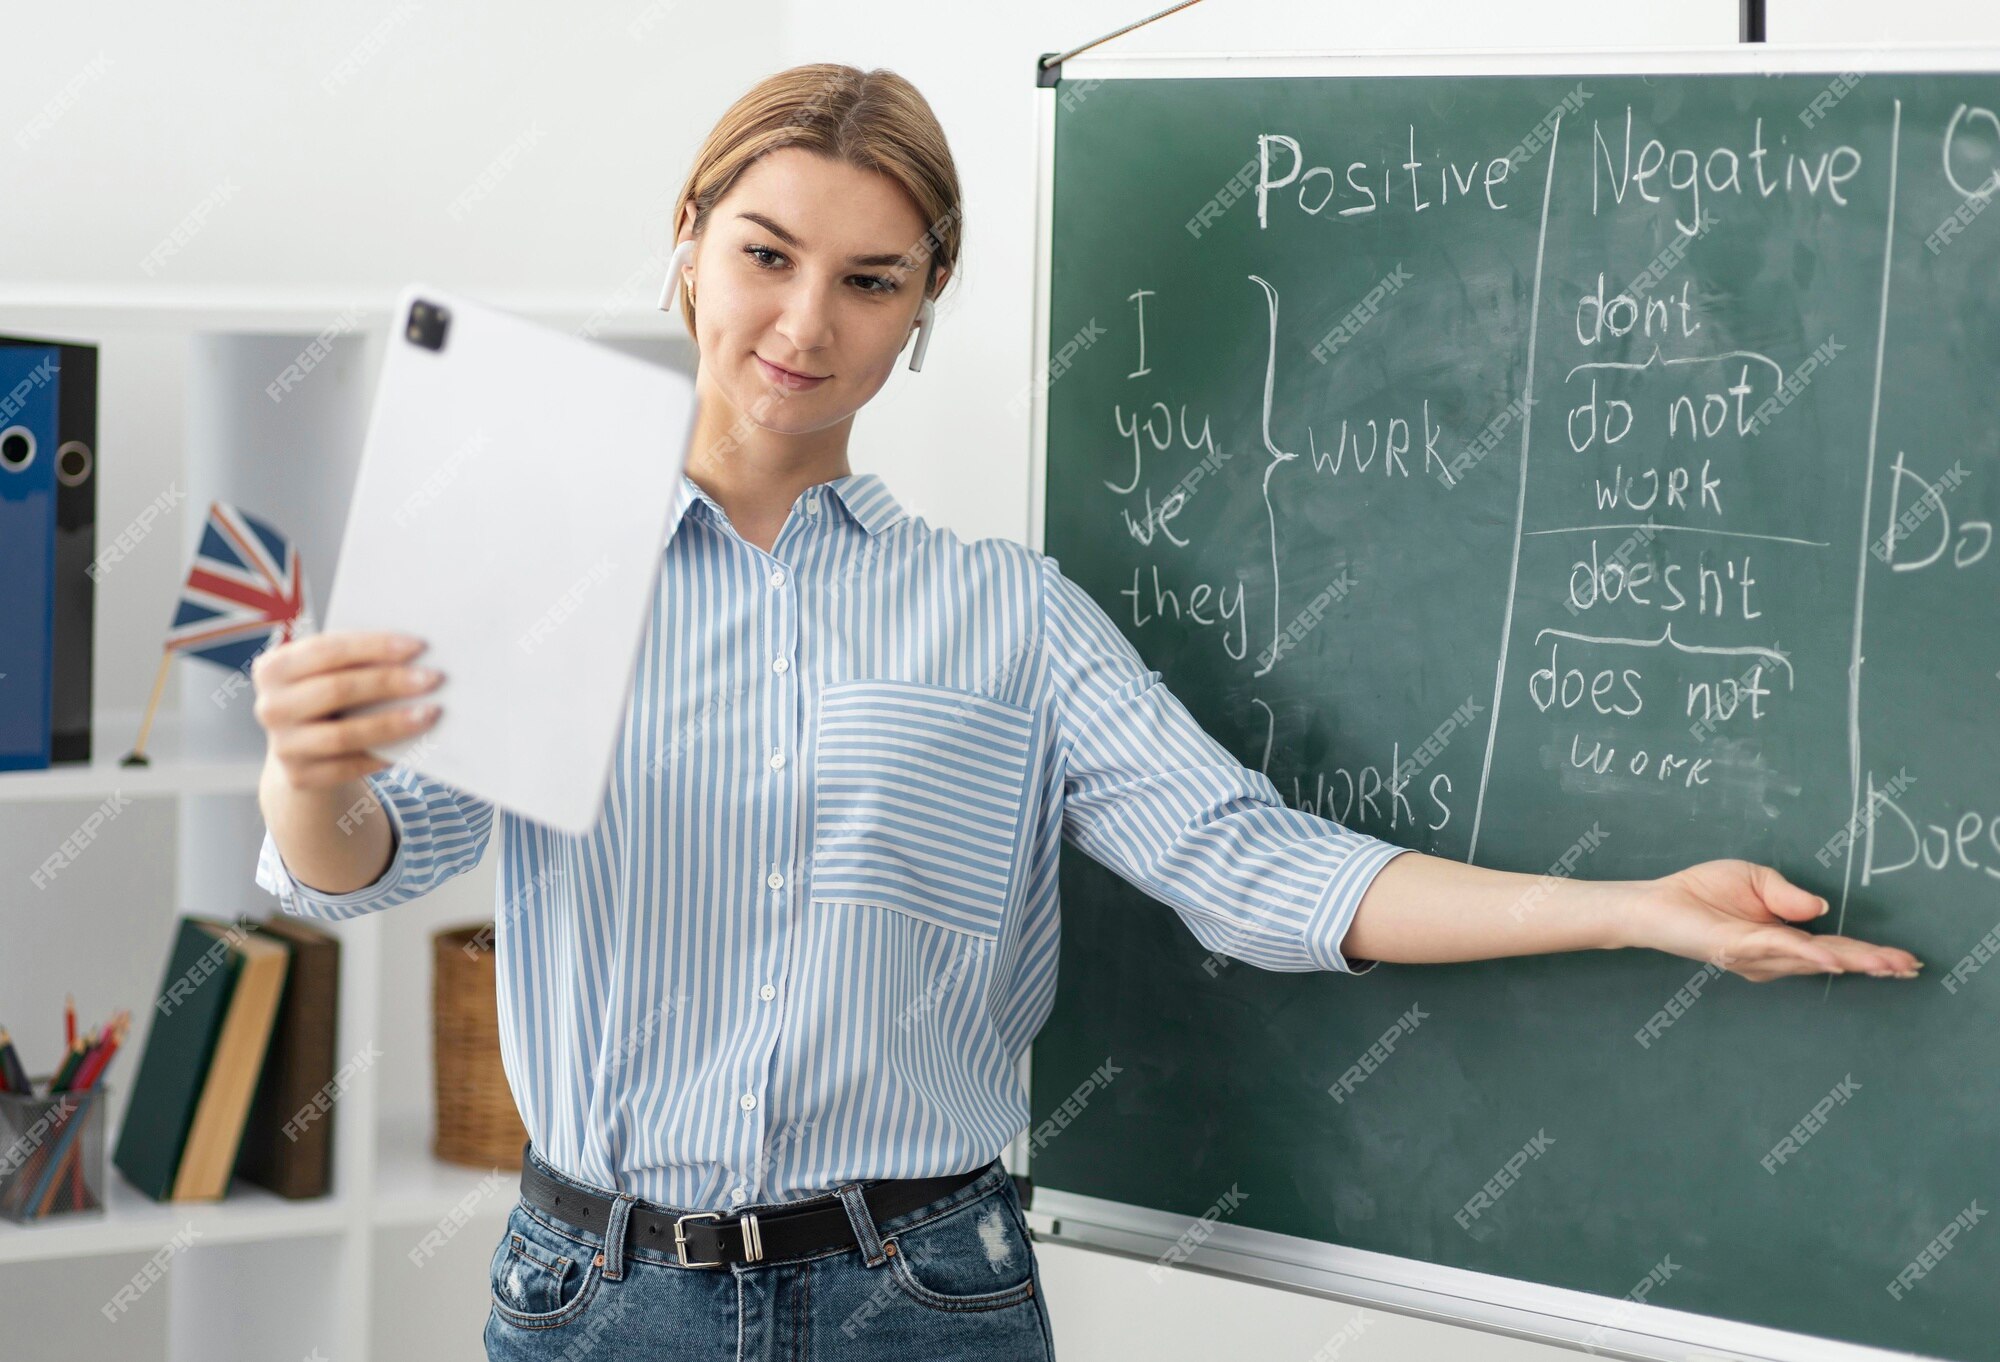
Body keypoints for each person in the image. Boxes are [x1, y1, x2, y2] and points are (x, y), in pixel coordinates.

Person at [250, 63, 1920, 1362]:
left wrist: (1634, 908)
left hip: (921, 1293)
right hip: (595, 1294)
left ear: (922, 313)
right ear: (687, 243)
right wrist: (304, 769)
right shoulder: (541, 564)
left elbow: (1254, 868)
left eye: (873, 281)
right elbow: (367, 860)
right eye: (766, 254)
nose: (805, 322)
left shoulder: (1005, 615)